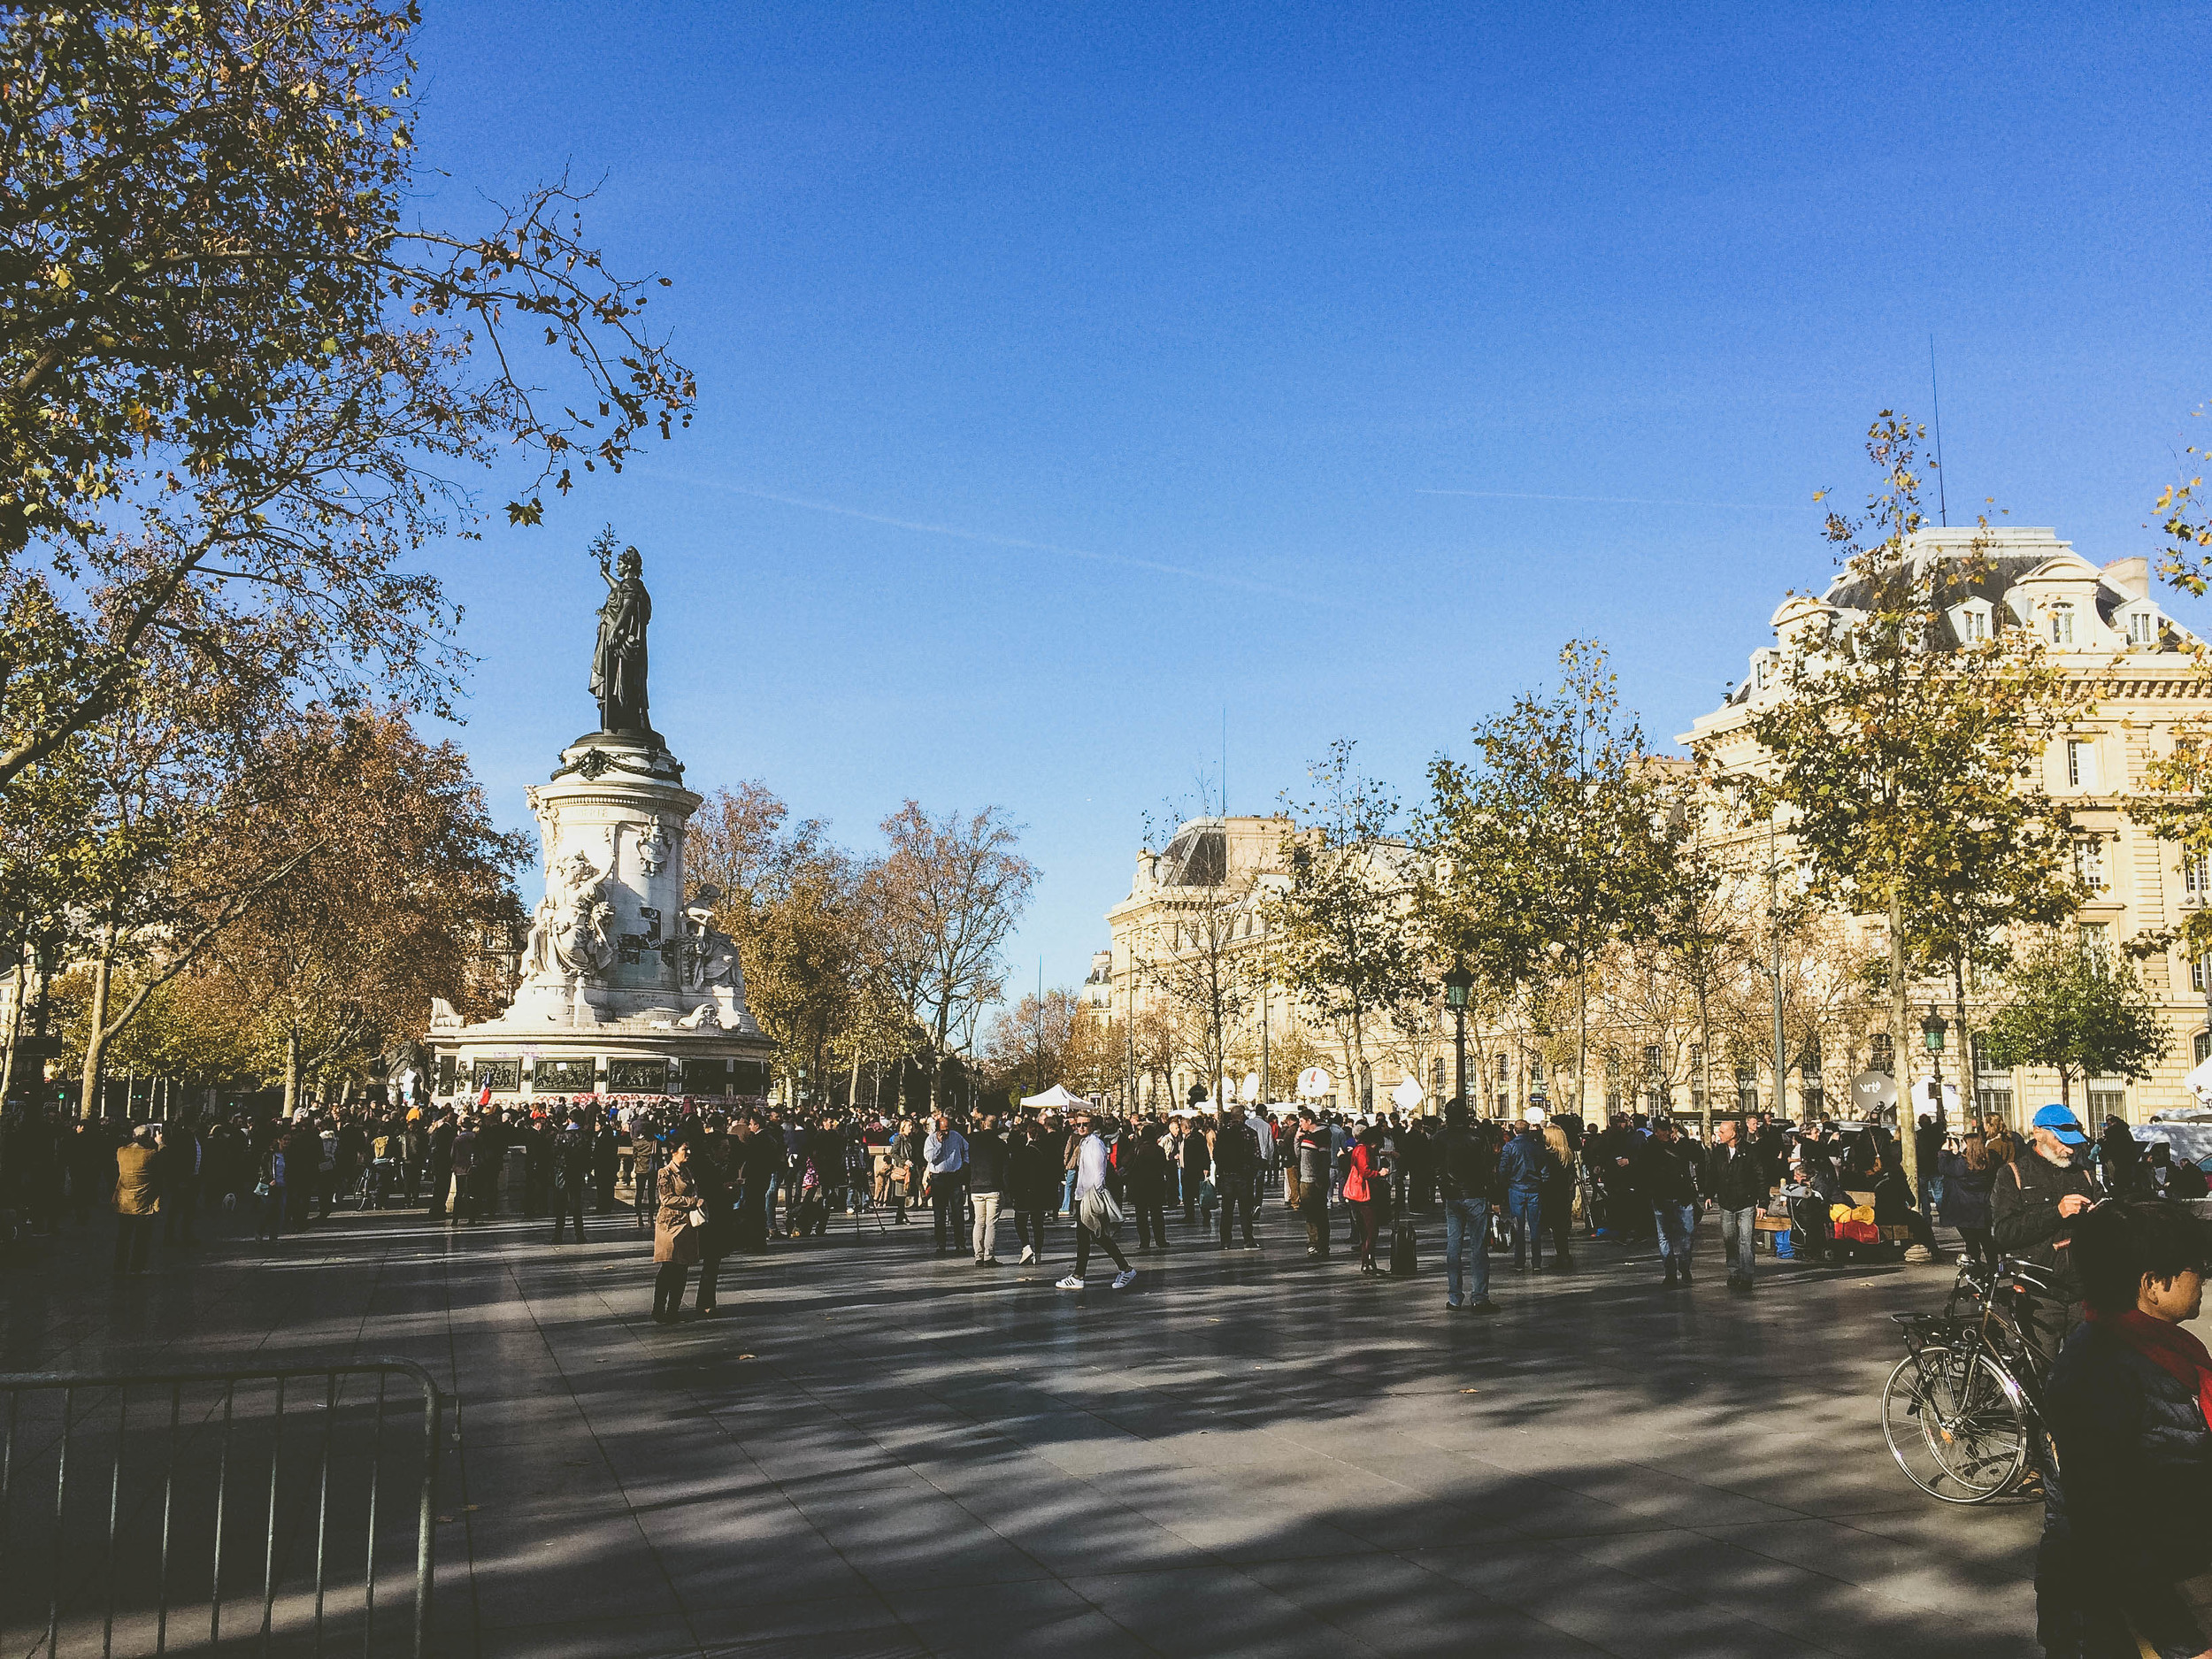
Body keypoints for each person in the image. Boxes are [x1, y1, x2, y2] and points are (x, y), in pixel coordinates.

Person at [2036, 1199, 2212, 1657]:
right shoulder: (2102, 1368)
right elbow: (2105, 1523)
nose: (2205, 1277)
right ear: (2153, 1284)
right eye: (2196, 1267)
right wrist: (2179, 1640)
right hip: (2130, 1612)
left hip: (2178, 1579)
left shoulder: (2167, 1351)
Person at [1995, 1103, 2101, 1366]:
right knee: (2041, 1375)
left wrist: (2104, 1215)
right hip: (2040, 1296)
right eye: (2061, 1141)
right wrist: (2056, 1212)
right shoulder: (2013, 1174)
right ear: (2038, 1133)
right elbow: (2004, 1233)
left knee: (2089, 1375)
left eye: (2074, 1143)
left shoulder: (2084, 1174)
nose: (2070, 1149)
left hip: (2083, 1292)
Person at [1056, 1112, 1136, 1291]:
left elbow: (1099, 1172)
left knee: (1095, 1236)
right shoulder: (1086, 1143)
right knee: (1089, 1237)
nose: (1081, 1127)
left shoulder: (1094, 1144)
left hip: (1090, 1195)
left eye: (1085, 1124)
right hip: (1084, 1194)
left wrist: (1096, 1193)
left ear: (1092, 1126)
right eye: (1078, 1125)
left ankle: (1123, 1269)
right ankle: (1081, 1275)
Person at [1629, 1118, 1702, 1288]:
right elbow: (1642, 1171)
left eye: (1667, 1129)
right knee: (1664, 1236)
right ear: (1656, 1132)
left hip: (1683, 1196)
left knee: (1688, 1234)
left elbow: (1698, 1156)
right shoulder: (1649, 1148)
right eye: (1661, 1130)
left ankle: (1684, 1264)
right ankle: (1670, 1272)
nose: (1665, 1133)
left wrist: (1683, 1142)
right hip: (1662, 1197)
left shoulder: (1681, 1145)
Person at [1704, 1118, 1769, 1293]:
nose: (1719, 1134)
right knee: (1729, 1239)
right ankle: (1734, 1271)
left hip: (1746, 1202)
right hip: (1726, 1202)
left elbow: (1761, 1176)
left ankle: (1747, 1276)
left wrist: (1763, 1202)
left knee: (1746, 1241)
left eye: (1722, 1131)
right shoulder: (1718, 1152)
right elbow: (1712, 1175)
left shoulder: (1750, 1152)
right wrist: (1709, 1195)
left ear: (1733, 1134)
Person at [651, 1138, 705, 1323]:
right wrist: (692, 1202)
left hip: (686, 1224)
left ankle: (673, 1309)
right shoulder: (665, 1173)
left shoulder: (687, 1171)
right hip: (670, 1224)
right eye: (684, 1149)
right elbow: (666, 1198)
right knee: (669, 1266)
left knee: (682, 1268)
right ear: (674, 1152)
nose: (688, 1153)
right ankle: (658, 1309)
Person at [1498, 1114, 1552, 1271]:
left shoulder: (1509, 1147)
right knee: (1535, 1226)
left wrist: (1504, 1183)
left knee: (1518, 1227)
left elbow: (1503, 1169)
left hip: (1516, 1188)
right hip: (1534, 1188)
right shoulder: (1537, 1147)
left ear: (1515, 1131)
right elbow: (1544, 1168)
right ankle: (1536, 1262)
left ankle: (1519, 1262)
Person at [1939, 1132, 1998, 1265]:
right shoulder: (1988, 1162)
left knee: (1971, 1242)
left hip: (1964, 1208)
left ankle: (1976, 1267)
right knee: (1986, 1239)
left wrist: (1944, 1152)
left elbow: (1944, 1168)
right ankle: (1993, 1267)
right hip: (1982, 1207)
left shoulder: (1961, 1164)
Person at [112, 1125, 160, 1272]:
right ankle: (137, 1267)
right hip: (143, 1201)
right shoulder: (151, 1154)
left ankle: (119, 1266)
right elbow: (163, 1161)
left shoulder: (121, 1152)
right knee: (141, 1237)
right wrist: (160, 1143)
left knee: (123, 1236)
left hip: (123, 1201)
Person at [1214, 1109, 1261, 1249]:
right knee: (1245, 1209)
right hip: (1243, 1175)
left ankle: (1225, 1241)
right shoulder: (1249, 1132)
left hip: (1227, 1176)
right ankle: (1248, 1239)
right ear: (1241, 1116)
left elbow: (1216, 1154)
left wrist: (1221, 1171)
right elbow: (1256, 1155)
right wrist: (1251, 1172)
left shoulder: (1222, 1132)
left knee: (1227, 1210)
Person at [1008, 1122, 1053, 1265]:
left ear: (1029, 1134)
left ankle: (1026, 1247)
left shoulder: (1025, 1151)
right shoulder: (1047, 1150)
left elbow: (1016, 1174)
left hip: (1025, 1192)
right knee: (1038, 1224)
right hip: (1041, 1193)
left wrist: (1013, 1192)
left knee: (1020, 1221)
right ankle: (1038, 1254)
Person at [923, 1112, 969, 1255]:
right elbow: (930, 1158)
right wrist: (939, 1144)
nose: (947, 1132)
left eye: (948, 1129)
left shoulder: (956, 1136)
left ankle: (960, 1243)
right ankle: (940, 1244)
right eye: (943, 1130)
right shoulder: (931, 1140)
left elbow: (966, 1148)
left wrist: (965, 1163)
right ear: (938, 1130)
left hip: (954, 1176)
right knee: (939, 1213)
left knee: (957, 1212)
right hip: (939, 1178)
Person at [967, 1113, 1009, 1264]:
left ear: (984, 1124)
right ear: (997, 1125)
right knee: (991, 1223)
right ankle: (989, 1255)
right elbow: (1005, 1169)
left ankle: (978, 1255)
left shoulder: (973, 1140)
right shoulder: (1000, 1144)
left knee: (979, 1222)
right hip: (993, 1186)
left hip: (976, 1186)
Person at [1346, 1121, 1386, 1274]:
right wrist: (1380, 1173)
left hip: (1357, 1193)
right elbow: (1365, 1171)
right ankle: (1368, 1263)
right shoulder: (1363, 1150)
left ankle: (1368, 1262)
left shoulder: (1358, 1149)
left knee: (1365, 1229)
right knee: (1371, 1230)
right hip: (1363, 1194)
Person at [1127, 1120, 1171, 1251]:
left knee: (1141, 1216)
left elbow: (1126, 1162)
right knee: (1157, 1214)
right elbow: (1164, 1165)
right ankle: (1160, 1240)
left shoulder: (1137, 1149)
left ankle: (1144, 1242)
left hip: (1140, 1186)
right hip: (1156, 1185)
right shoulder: (1159, 1150)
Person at [1295, 1110, 1333, 1259]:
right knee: (1311, 1214)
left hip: (1313, 1180)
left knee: (1317, 1215)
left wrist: (1320, 1178)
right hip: (1306, 1179)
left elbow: (1325, 1159)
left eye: (1301, 1122)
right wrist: (1297, 1139)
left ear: (1309, 1121)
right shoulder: (1308, 1136)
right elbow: (1298, 1155)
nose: (1300, 1125)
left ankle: (1319, 1245)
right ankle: (1315, 1243)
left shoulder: (1321, 1136)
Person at [551, 1116, 591, 1242]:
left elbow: (554, 1153)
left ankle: (558, 1235)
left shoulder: (561, 1136)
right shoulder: (584, 1137)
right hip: (577, 1172)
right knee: (576, 1204)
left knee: (561, 1204)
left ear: (569, 1120)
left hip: (563, 1172)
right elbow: (588, 1156)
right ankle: (580, 1235)